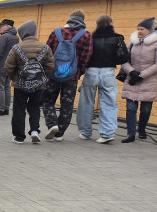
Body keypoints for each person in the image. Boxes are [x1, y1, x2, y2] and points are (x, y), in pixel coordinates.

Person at [43, 11, 93, 141]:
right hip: (71, 77)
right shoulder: (86, 35)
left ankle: (52, 124)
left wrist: (48, 70)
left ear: (69, 19)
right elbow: (86, 58)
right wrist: (77, 72)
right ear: (83, 20)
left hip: (53, 74)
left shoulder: (56, 32)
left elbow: (46, 53)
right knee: (67, 105)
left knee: (47, 101)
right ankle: (60, 134)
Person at [77, 15, 126, 144]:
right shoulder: (117, 38)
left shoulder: (90, 38)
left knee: (86, 103)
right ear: (111, 23)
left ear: (97, 24)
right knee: (109, 103)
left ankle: (85, 132)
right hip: (108, 72)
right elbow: (124, 58)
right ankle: (107, 134)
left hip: (91, 72)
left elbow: (84, 55)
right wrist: (112, 60)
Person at [5, 21, 54, 144]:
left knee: (19, 109)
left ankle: (19, 137)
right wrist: (42, 78)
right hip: (39, 86)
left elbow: (8, 66)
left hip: (20, 85)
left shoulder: (16, 48)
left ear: (22, 34)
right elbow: (51, 66)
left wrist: (15, 79)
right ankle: (34, 131)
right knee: (35, 108)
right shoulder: (45, 48)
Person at [120, 17, 157, 143]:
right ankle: (130, 134)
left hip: (149, 81)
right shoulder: (132, 42)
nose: (139, 31)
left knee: (146, 110)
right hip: (132, 79)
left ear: (150, 30)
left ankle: (142, 129)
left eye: (142, 29)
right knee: (131, 108)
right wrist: (131, 72)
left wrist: (141, 75)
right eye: (138, 29)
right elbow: (123, 60)